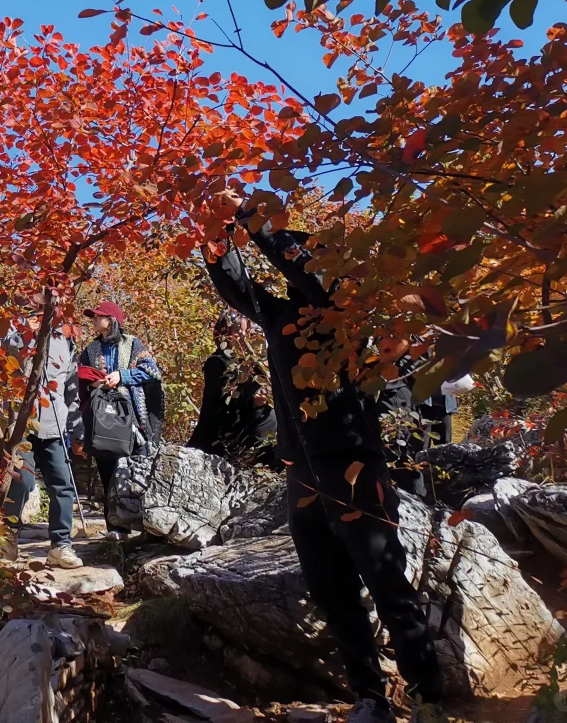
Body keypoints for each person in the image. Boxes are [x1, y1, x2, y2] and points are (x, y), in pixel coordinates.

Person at [202, 196, 444, 723]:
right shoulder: (283, 318)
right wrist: (215, 234)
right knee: (332, 594)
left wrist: (259, 225)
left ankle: (429, 693)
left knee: (386, 584)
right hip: (302, 475)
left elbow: (311, 273)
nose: (297, 266)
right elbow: (236, 286)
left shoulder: (344, 310)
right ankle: (371, 698)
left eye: (304, 257)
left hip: (353, 466)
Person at [4, 320, 83, 569]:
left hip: (54, 424)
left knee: (63, 484)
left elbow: (72, 387)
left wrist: (77, 429)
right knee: (21, 480)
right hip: (20, 424)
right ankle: (7, 537)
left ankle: (60, 545)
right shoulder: (13, 331)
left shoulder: (66, 337)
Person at [76, 301, 163, 505]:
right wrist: (95, 382)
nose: (94, 320)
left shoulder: (132, 344)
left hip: (132, 418)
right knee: (107, 469)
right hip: (102, 418)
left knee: (136, 469)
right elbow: (79, 377)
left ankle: (139, 522)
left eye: (98, 316)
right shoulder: (91, 349)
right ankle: (116, 528)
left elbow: (152, 371)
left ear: (111, 321)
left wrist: (122, 376)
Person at [187, 311, 278, 468]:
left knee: (277, 421)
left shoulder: (251, 362)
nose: (245, 336)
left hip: (247, 421)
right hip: (222, 431)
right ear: (226, 334)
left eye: (247, 332)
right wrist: (254, 396)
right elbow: (229, 399)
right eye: (241, 332)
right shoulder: (216, 362)